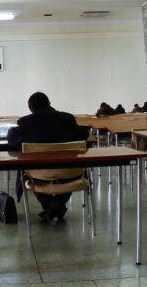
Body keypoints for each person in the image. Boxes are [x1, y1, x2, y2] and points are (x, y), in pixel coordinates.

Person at [7, 92, 91, 222]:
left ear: (31, 110)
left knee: (28, 170)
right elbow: (84, 135)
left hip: (38, 176)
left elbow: (12, 144)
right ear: (49, 103)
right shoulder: (67, 119)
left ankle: (50, 208)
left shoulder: (25, 122)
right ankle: (56, 207)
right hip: (70, 174)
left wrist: (12, 132)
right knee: (67, 169)